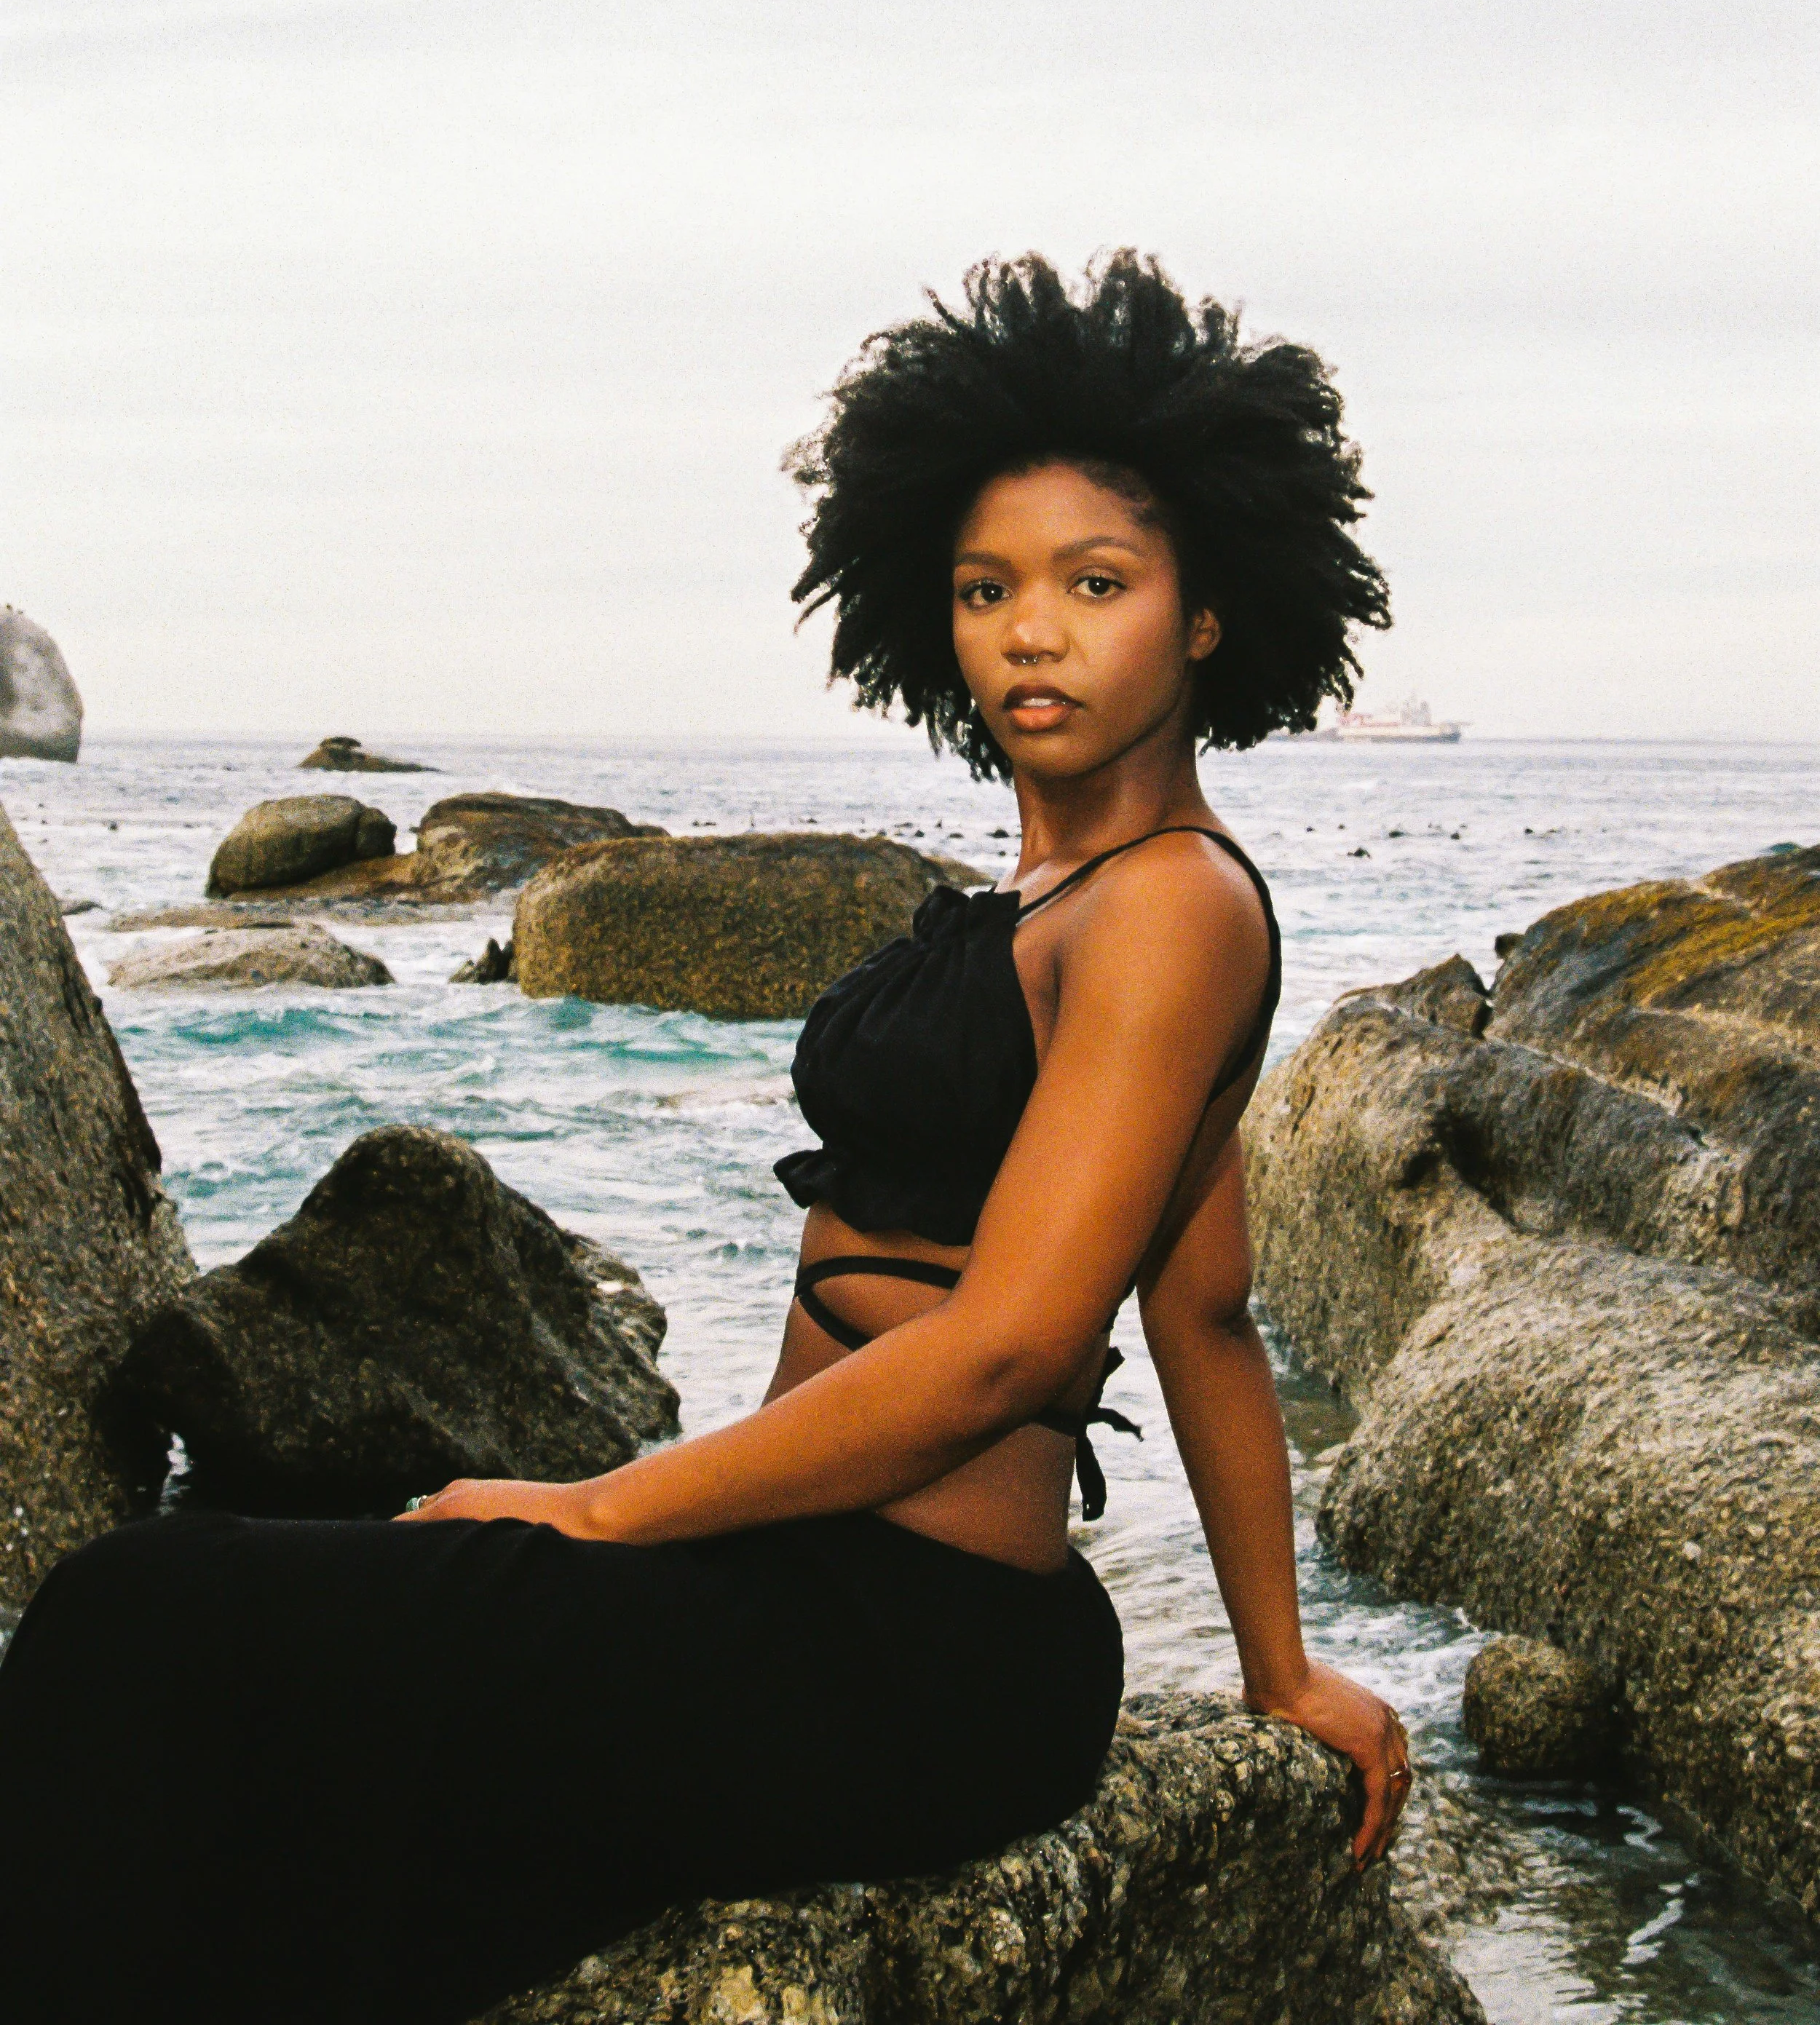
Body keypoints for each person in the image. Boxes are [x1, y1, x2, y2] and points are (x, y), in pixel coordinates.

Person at [0, 250, 1409, 2025]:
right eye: (984, 588)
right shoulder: (1066, 895)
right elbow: (1205, 1311)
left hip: (916, 1645)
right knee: (213, 1616)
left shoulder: (1173, 908)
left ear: (1206, 615)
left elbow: (1015, 1345)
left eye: (1093, 583)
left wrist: (602, 1508)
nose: (1027, 630)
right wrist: (1275, 1662)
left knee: (139, 1618)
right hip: (824, 1583)